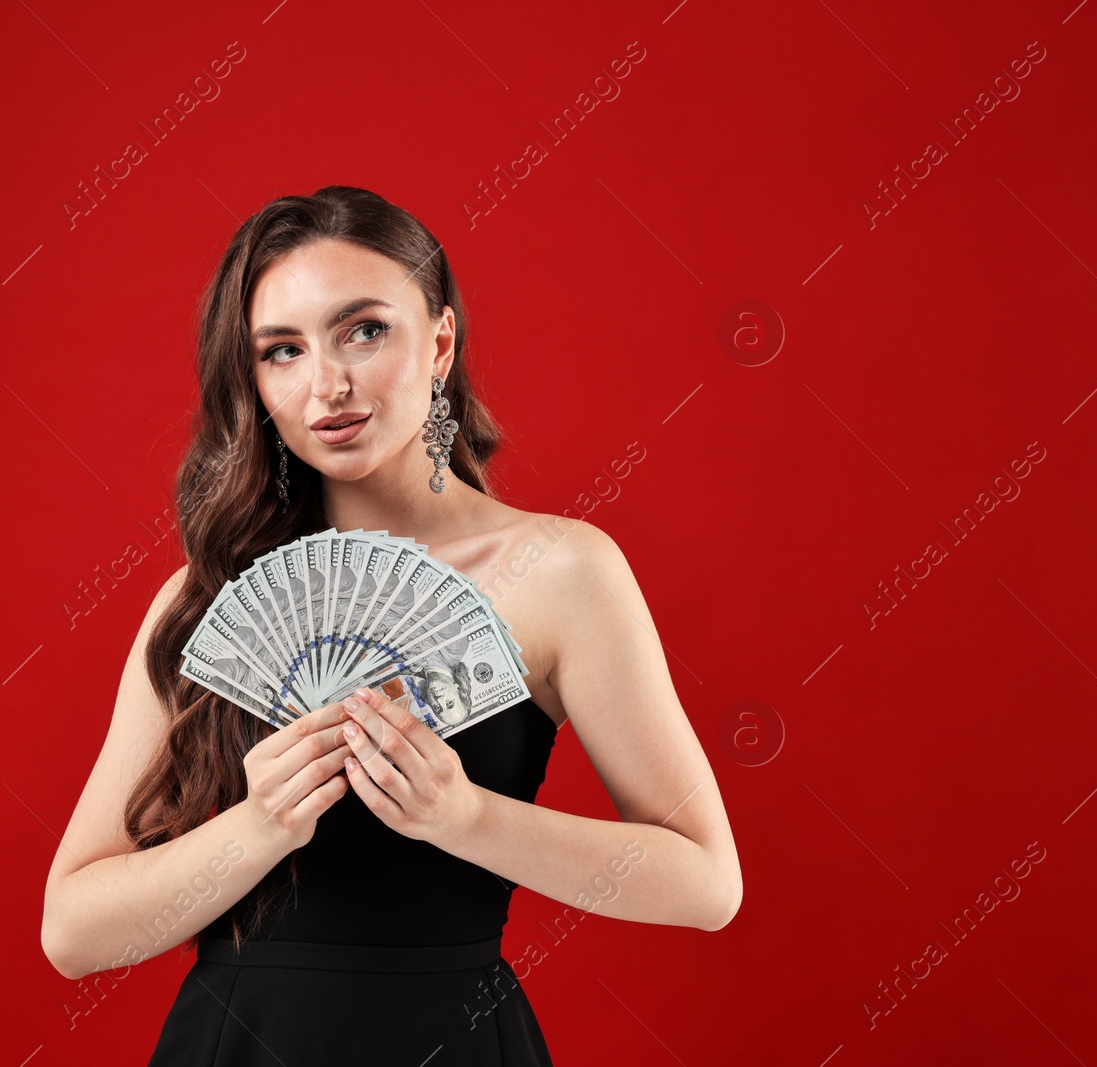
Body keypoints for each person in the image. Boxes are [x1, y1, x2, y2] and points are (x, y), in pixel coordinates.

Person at [39, 185, 742, 1065]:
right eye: (282, 351)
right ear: (253, 380)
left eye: (363, 330)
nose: (327, 384)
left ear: (440, 341)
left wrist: (465, 816)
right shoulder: (208, 593)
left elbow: (705, 881)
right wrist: (259, 825)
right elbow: (73, 930)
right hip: (237, 1041)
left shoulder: (563, 573)